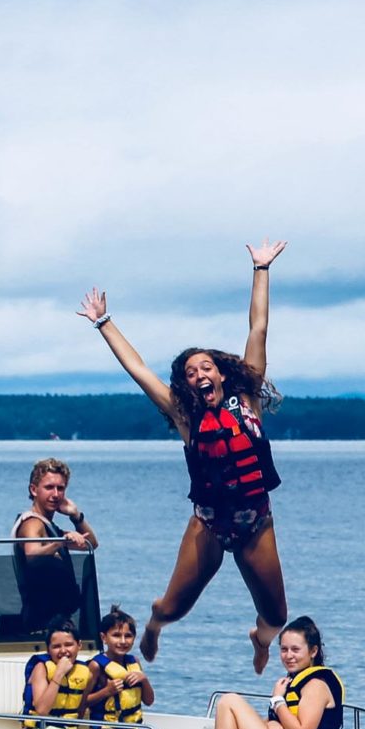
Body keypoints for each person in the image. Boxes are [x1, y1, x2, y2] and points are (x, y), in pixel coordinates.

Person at [76, 239, 292, 671]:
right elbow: (138, 370)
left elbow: (258, 329)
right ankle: (155, 626)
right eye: (191, 372)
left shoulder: (247, 399)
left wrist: (261, 270)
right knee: (174, 607)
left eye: (206, 367)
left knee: (276, 619)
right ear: (186, 384)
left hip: (255, 522)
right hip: (209, 526)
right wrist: (104, 323)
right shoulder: (185, 418)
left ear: (221, 374)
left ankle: (259, 639)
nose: (200, 375)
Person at [171, 616, 342, 729]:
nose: (289, 656)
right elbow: (288, 720)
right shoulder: (291, 682)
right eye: (284, 649)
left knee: (229, 701)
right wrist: (271, 724)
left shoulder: (316, 685)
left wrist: (277, 701)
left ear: (313, 651)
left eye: (295, 649)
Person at [10, 458, 96, 638]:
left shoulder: (50, 527)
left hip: (60, 622)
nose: (56, 494)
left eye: (61, 488)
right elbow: (32, 553)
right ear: (34, 490)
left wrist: (76, 516)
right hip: (41, 625)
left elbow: (91, 544)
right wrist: (61, 542)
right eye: (49, 488)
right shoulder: (32, 523)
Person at [69, 607, 160, 729]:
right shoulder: (96, 666)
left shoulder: (134, 662)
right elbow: (81, 703)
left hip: (134, 728)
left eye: (128, 636)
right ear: (104, 638)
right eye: (116, 635)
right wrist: (106, 692)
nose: (123, 641)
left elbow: (149, 701)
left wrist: (144, 680)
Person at [21, 626, 102, 729]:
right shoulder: (41, 668)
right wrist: (59, 673)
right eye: (56, 646)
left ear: (79, 645)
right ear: (48, 649)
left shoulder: (85, 673)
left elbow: (81, 709)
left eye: (69, 645)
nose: (63, 651)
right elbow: (42, 710)